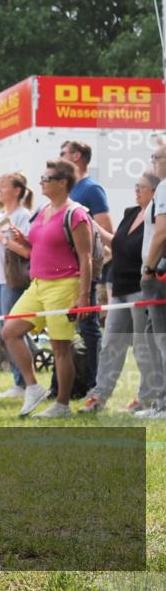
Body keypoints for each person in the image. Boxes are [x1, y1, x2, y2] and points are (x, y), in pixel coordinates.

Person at [1, 159, 93, 418]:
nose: (40, 182)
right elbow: (35, 246)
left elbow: (85, 257)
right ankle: (33, 386)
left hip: (64, 285)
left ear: (62, 183)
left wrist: (83, 295)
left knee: (60, 347)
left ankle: (62, 405)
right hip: (38, 284)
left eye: (46, 179)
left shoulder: (75, 213)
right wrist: (22, 238)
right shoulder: (42, 210)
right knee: (10, 330)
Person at [82, 171, 161, 413]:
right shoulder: (130, 213)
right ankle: (99, 396)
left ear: (155, 192)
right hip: (119, 288)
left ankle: (146, 397)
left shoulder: (157, 218)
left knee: (143, 347)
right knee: (111, 343)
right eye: (136, 186)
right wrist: (90, 223)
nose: (136, 190)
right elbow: (115, 244)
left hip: (141, 289)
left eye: (142, 187)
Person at [59, 140, 113, 391]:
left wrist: (91, 272)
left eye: (63, 154)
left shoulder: (91, 189)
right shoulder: (70, 191)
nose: (59, 159)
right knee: (66, 329)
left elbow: (106, 233)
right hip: (67, 273)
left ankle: (96, 382)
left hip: (86, 271)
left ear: (77, 157)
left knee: (88, 328)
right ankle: (70, 382)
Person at [0, 172, 34, 399]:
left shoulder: (24, 215)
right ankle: (20, 380)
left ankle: (23, 382)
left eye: (3, 186)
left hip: (12, 280)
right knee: (7, 331)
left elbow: (27, 251)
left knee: (12, 331)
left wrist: (2, 239)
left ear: (16, 190)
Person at [139, 141, 166, 418]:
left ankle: (164, 403)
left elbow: (161, 233)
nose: (153, 161)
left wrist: (148, 268)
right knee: (152, 336)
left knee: (160, 339)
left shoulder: (165, 187)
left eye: (156, 157)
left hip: (158, 273)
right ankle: (160, 401)